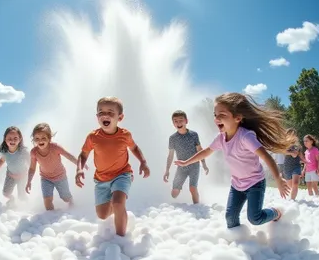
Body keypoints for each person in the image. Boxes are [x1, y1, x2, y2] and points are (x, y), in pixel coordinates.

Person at [174, 92, 291, 229]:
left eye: (222, 115)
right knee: (230, 219)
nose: (217, 119)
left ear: (237, 118)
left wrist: (278, 178)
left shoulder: (245, 137)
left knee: (255, 218)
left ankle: (275, 212)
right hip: (237, 185)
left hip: (255, 183)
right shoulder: (221, 138)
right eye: (215, 115)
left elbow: (266, 156)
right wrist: (186, 162)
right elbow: (206, 152)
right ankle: (239, 242)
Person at [76, 97, 150, 236]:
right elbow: (83, 154)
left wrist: (143, 162)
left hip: (122, 174)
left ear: (120, 117)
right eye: (101, 112)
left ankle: (121, 237)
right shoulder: (93, 137)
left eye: (110, 112)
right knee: (102, 215)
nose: (105, 115)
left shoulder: (125, 135)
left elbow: (134, 148)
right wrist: (79, 169)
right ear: (97, 116)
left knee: (117, 203)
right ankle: (118, 208)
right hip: (101, 179)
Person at [26, 123, 77, 210]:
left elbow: (68, 155)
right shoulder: (34, 152)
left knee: (65, 198)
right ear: (33, 139)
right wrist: (29, 181)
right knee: (47, 201)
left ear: (49, 138)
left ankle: (72, 204)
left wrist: (79, 163)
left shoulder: (55, 147)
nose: (40, 141)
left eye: (43, 138)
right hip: (45, 178)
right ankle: (50, 219)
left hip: (60, 176)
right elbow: (32, 168)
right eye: (37, 138)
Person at [163, 110, 209, 203]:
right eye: (175, 121)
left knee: (192, 188)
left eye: (181, 120)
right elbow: (170, 155)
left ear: (186, 121)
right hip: (181, 167)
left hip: (194, 165)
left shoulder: (193, 135)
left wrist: (204, 164)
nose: (178, 123)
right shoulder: (172, 138)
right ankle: (178, 193)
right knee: (174, 193)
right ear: (173, 123)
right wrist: (167, 170)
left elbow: (200, 150)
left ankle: (197, 208)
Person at [0, 126, 30, 205]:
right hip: (10, 175)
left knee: (21, 196)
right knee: (5, 193)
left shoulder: (23, 151)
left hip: (23, 176)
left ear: (20, 139)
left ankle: (28, 204)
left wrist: (28, 173)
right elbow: (1, 160)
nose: (12, 140)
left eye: (15, 138)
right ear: (5, 139)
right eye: (9, 138)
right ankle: (12, 199)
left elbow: (31, 162)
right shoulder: (4, 151)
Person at [282, 128, 304, 200]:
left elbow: (296, 155)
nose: (292, 135)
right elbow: (282, 151)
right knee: (290, 186)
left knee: (295, 184)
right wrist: (291, 152)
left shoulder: (298, 145)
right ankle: (290, 199)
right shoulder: (284, 144)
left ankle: (292, 200)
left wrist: (305, 161)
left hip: (296, 166)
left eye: (293, 134)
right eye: (290, 134)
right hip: (287, 166)